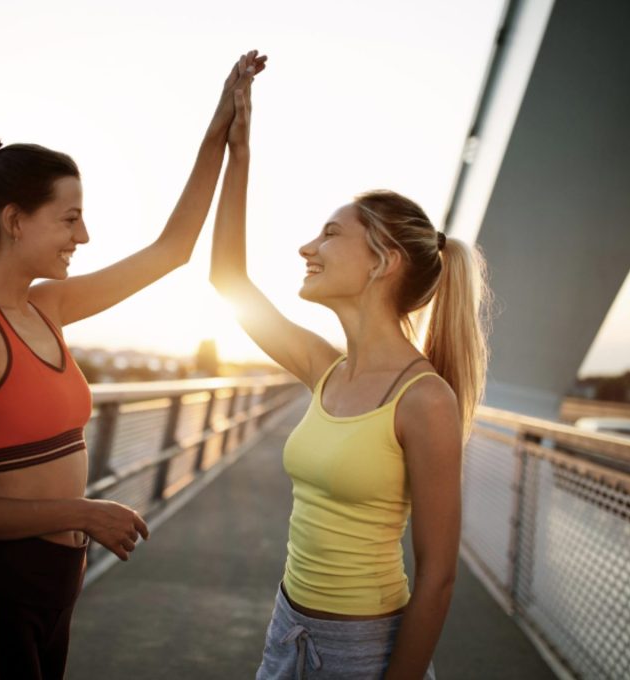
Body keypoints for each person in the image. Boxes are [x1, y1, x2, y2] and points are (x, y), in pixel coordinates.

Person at [0, 51, 267, 679]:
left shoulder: (48, 307)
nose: (84, 235)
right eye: (70, 218)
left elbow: (172, 250)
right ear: (16, 222)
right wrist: (82, 511)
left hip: (54, 597)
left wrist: (223, 133)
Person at [209, 67, 489, 679]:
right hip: (288, 629)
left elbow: (438, 577)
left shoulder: (424, 401)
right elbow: (228, 279)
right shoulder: (324, 368)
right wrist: (238, 153)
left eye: (330, 234)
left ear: (381, 263)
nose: (308, 247)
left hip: (364, 651)